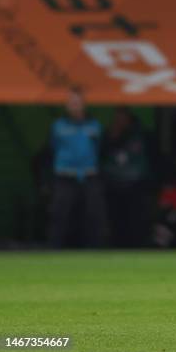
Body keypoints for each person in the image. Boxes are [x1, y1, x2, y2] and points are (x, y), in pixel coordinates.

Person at [49, 87, 107, 248]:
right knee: (60, 215)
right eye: (71, 102)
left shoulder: (94, 126)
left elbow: (99, 148)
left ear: (84, 104)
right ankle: (55, 250)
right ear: (67, 105)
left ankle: (95, 251)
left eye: (78, 102)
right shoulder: (58, 126)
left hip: (89, 175)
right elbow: (53, 147)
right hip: (65, 175)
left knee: (94, 214)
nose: (75, 105)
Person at [102, 107, 153, 247]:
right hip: (113, 185)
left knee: (135, 222)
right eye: (117, 118)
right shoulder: (107, 135)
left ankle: (137, 248)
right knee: (115, 222)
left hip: (135, 185)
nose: (120, 121)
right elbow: (100, 157)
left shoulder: (141, 135)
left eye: (123, 117)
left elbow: (151, 159)